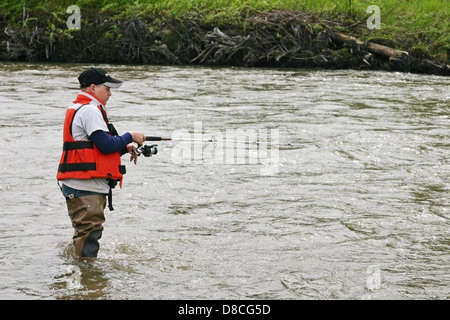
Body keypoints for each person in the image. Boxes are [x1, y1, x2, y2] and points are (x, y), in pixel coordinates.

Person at [57, 67, 145, 262]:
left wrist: (125, 147)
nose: (110, 93)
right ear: (93, 87)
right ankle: (87, 281)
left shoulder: (80, 107)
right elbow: (105, 145)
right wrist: (131, 136)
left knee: (85, 234)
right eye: (107, 88)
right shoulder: (89, 110)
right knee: (89, 236)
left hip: (80, 184)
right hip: (85, 187)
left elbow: (94, 147)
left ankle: (81, 275)